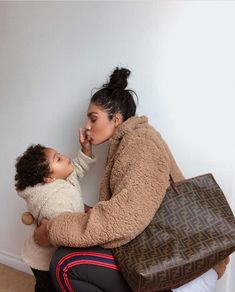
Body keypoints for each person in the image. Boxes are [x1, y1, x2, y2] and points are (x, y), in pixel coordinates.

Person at [34, 67, 229, 292]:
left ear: (116, 119)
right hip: (160, 250)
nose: (87, 126)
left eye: (93, 118)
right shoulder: (128, 142)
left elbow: (122, 220)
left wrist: (52, 231)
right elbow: (131, 208)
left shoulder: (140, 143)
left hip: (181, 268)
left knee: (66, 264)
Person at [15, 135, 96, 292]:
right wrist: (87, 217)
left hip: (50, 259)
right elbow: (63, 229)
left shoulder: (61, 179)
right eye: (58, 159)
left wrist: (86, 149)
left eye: (59, 154)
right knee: (50, 288)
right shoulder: (56, 200)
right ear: (48, 178)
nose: (64, 157)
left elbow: (76, 169)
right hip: (45, 262)